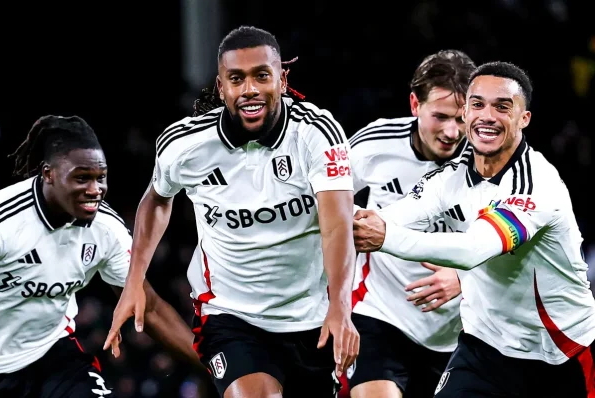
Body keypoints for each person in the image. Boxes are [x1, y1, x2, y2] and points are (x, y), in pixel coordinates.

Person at [104, 25, 359, 398]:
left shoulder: (316, 134)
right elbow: (157, 200)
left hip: (312, 314)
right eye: (236, 79)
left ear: (283, 80)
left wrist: (340, 307)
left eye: (262, 76)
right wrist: (134, 280)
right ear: (221, 87)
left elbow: (337, 225)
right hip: (230, 315)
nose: (250, 90)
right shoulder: (185, 144)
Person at [353, 62, 595, 397]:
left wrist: (385, 238)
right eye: (478, 104)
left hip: (557, 353)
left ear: (523, 119)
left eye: (502, 107)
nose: (487, 116)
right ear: (466, 112)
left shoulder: (534, 185)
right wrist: (355, 222)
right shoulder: (450, 176)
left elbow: (473, 249)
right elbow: (395, 216)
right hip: (485, 348)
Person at [0, 115, 198, 398]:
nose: (94, 190)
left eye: (100, 177)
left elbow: (146, 306)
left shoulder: (107, 229)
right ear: (48, 174)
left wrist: (217, 370)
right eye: (81, 178)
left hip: (51, 357)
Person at [346, 50, 475, 398]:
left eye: (462, 119)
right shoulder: (375, 144)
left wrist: (465, 277)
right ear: (415, 104)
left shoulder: (491, 163)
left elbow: (520, 244)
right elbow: (324, 205)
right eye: (441, 116)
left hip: (460, 333)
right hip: (379, 317)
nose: (452, 131)